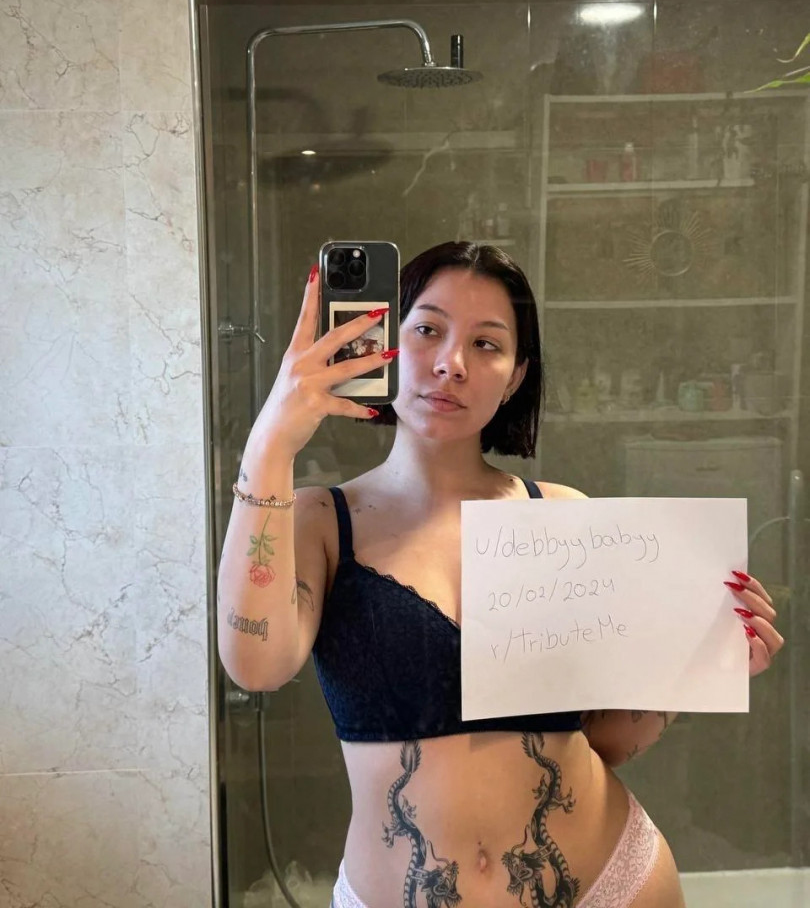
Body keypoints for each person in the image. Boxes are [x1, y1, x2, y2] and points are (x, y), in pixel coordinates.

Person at [218, 241, 784, 908]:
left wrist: (694, 663)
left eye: (486, 344)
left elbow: (608, 739)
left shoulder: (562, 515)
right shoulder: (320, 522)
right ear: (384, 345)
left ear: (515, 376)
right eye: (427, 330)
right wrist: (272, 442)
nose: (451, 363)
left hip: (611, 882)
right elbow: (255, 665)